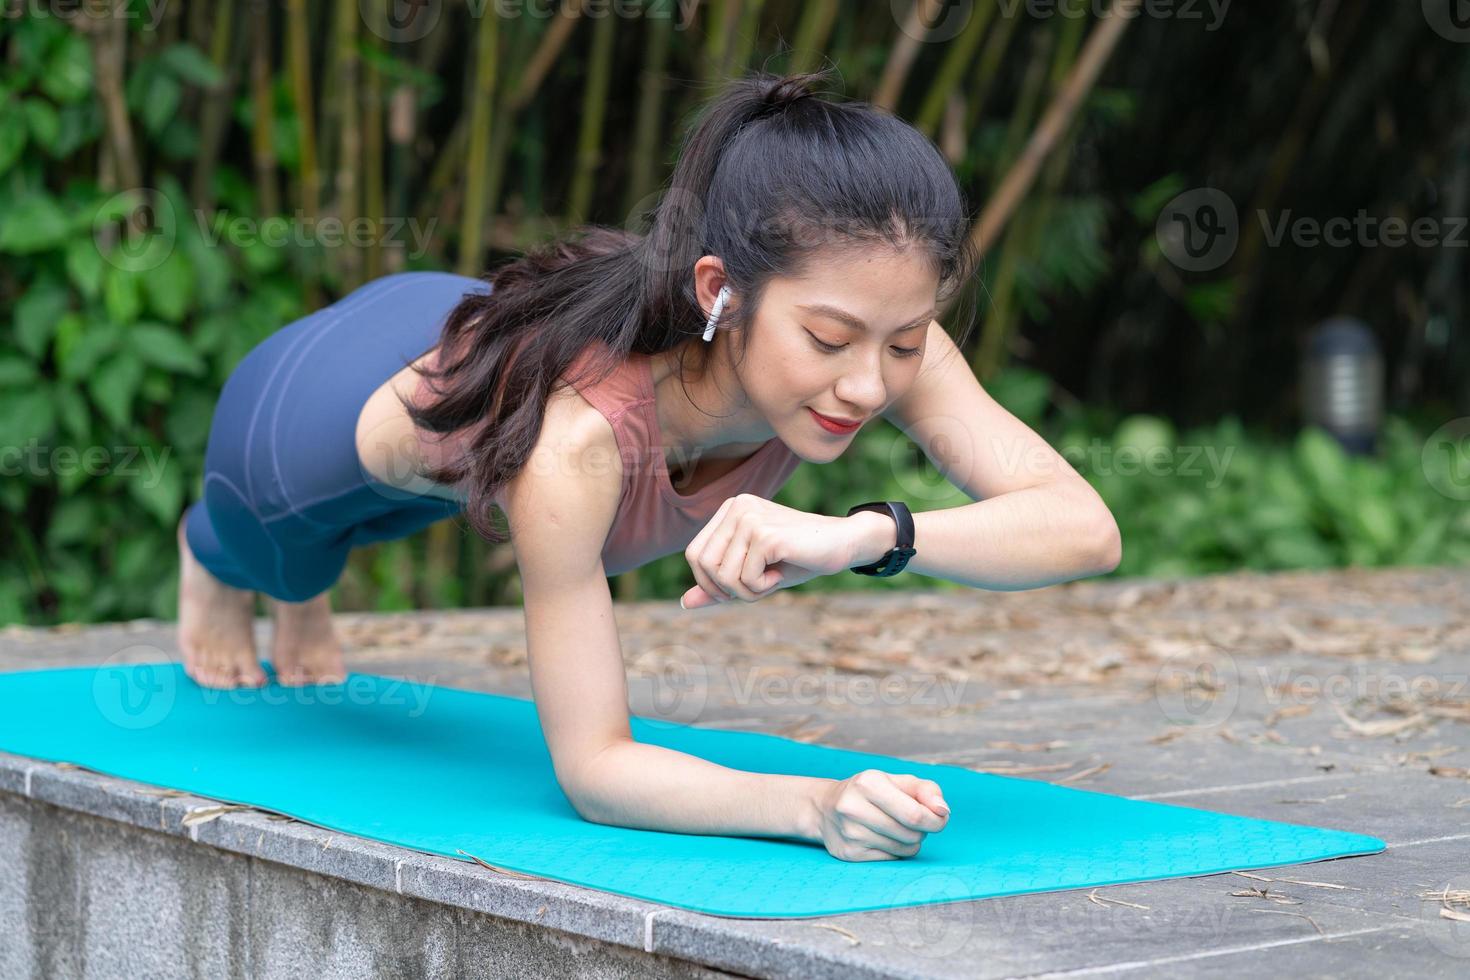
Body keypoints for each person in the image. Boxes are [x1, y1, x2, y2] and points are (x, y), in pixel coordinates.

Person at [176, 70, 1122, 861]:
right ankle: (222, 558)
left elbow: (1083, 529)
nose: (869, 385)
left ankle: (299, 593)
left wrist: (865, 536)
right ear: (720, 290)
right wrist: (809, 805)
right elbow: (594, 771)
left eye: (906, 342)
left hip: (490, 396)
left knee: (409, 516)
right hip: (324, 411)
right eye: (828, 339)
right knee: (287, 546)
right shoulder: (575, 445)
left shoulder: (874, 333)